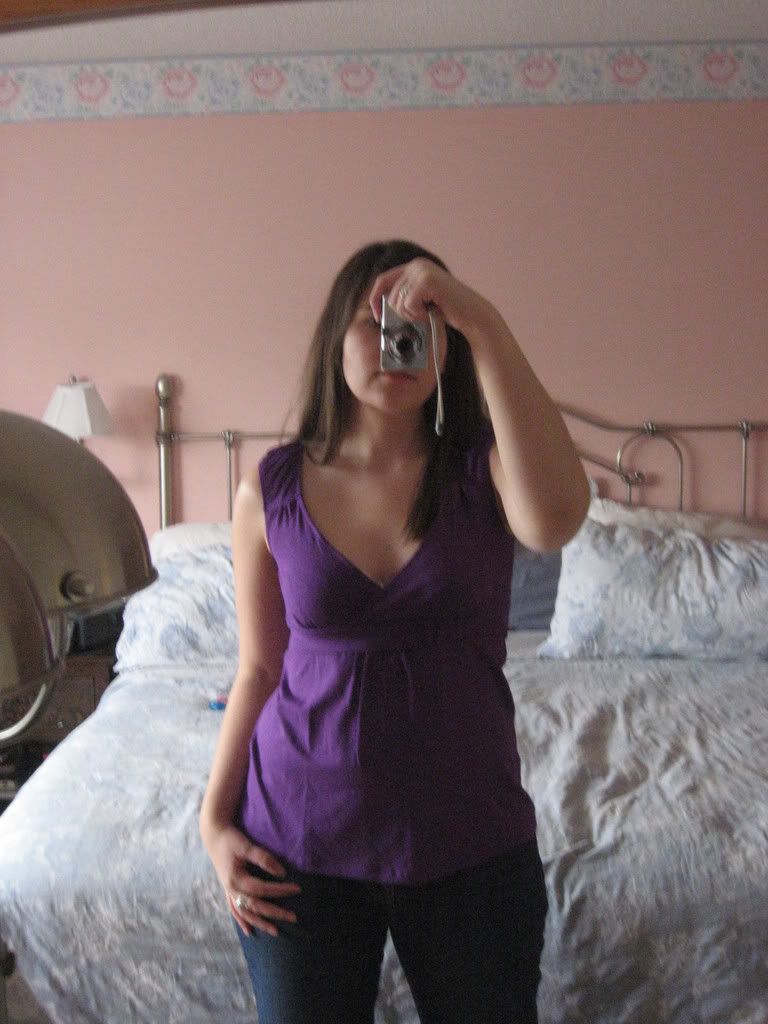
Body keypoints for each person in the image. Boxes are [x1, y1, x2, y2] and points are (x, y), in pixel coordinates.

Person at [199, 239, 590, 1024]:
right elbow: (259, 669)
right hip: (296, 839)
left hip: (469, 836)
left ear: (449, 345)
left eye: (421, 324)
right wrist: (213, 822)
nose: (395, 340)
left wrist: (480, 317)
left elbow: (554, 521)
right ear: (332, 341)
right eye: (371, 321)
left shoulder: (486, 471)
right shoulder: (270, 488)